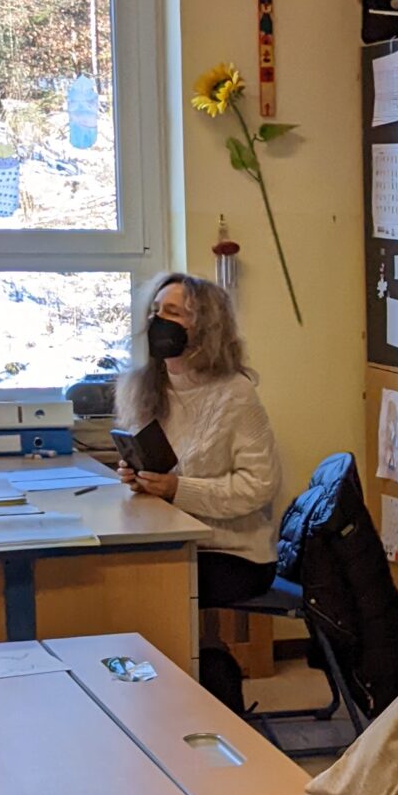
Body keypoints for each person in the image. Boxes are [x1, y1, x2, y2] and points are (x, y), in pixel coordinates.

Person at [116, 272, 282, 708]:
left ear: (203, 328)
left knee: (148, 590)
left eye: (172, 313)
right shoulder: (144, 387)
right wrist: (138, 475)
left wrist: (176, 489)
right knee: (128, 580)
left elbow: (258, 487)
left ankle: (199, 700)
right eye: (155, 312)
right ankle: (156, 703)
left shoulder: (235, 394)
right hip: (173, 539)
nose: (158, 322)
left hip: (234, 552)